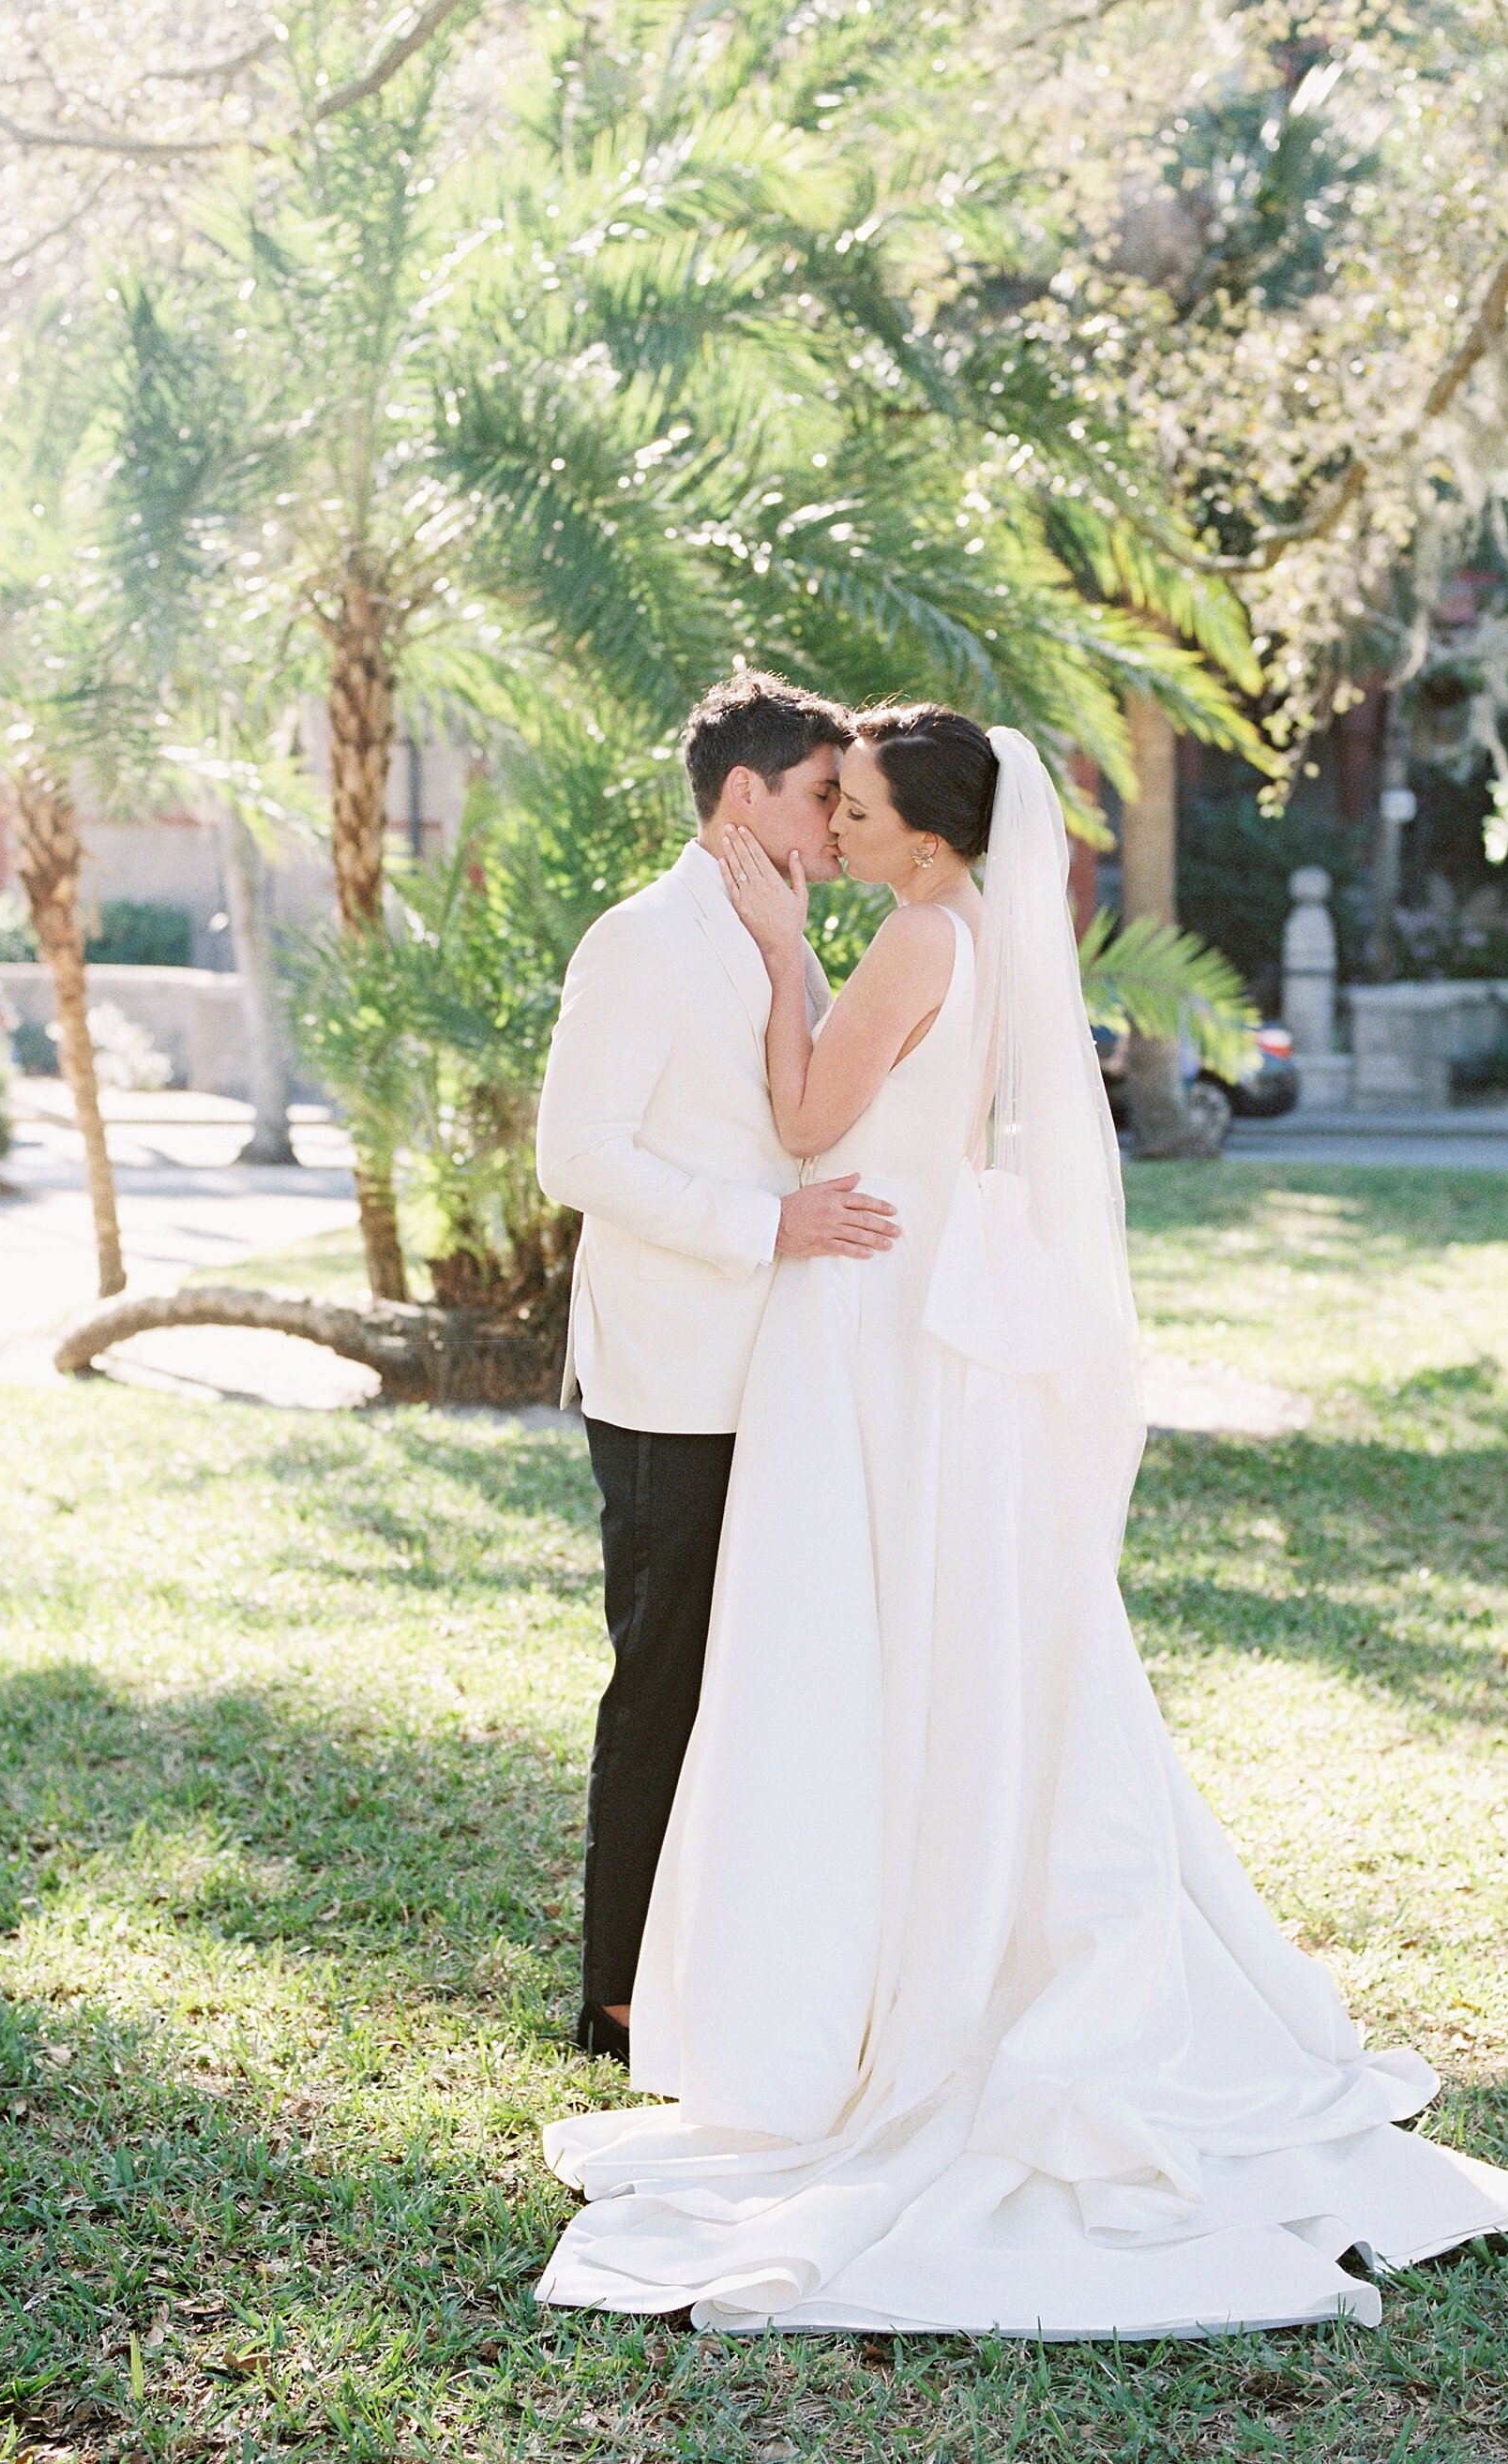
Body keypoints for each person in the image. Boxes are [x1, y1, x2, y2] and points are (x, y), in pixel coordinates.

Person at [536, 704, 1508, 2337]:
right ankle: (728, 1980)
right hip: (849, 1314)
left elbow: (813, 1120)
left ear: (930, 840)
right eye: (828, 800)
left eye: (859, 807)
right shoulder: (924, 934)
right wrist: (788, 968)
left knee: (850, 1641)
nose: (838, 828)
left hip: (859, 1312)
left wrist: (781, 955)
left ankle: (854, 1985)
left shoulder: (902, 939)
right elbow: (673, 1136)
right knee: (843, 1646)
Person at [535, 671, 901, 2066]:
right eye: (821, 795)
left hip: (791, 1374)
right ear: (743, 795)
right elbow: (580, 1156)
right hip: (673, 1377)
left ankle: (733, 1966)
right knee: (666, 1675)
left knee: (768, 1681)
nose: (838, 819)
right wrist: (772, 1229)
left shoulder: (787, 935)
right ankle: (618, 1992)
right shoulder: (638, 941)